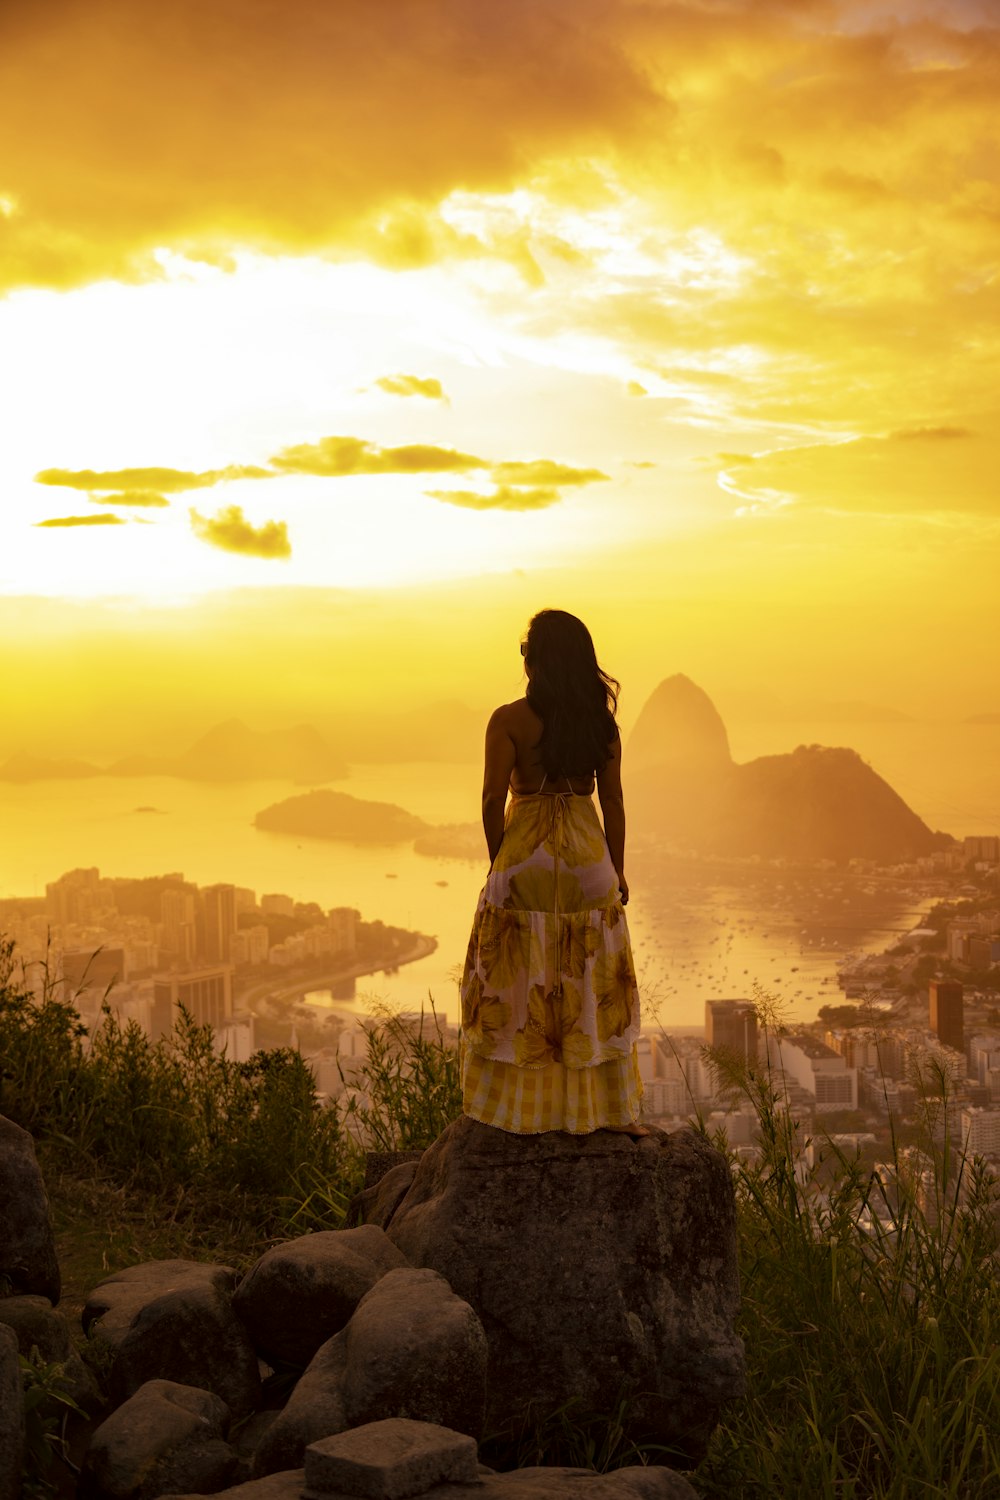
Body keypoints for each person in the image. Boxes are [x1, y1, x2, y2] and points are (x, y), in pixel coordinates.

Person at [459, 608, 647, 1137]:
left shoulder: (508, 720)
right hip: (591, 862)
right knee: (589, 989)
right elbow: (612, 802)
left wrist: (501, 861)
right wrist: (618, 870)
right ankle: (602, 1113)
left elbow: (495, 796)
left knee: (518, 986)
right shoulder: (600, 725)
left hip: (527, 858)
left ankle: (515, 1112)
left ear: (536, 660)